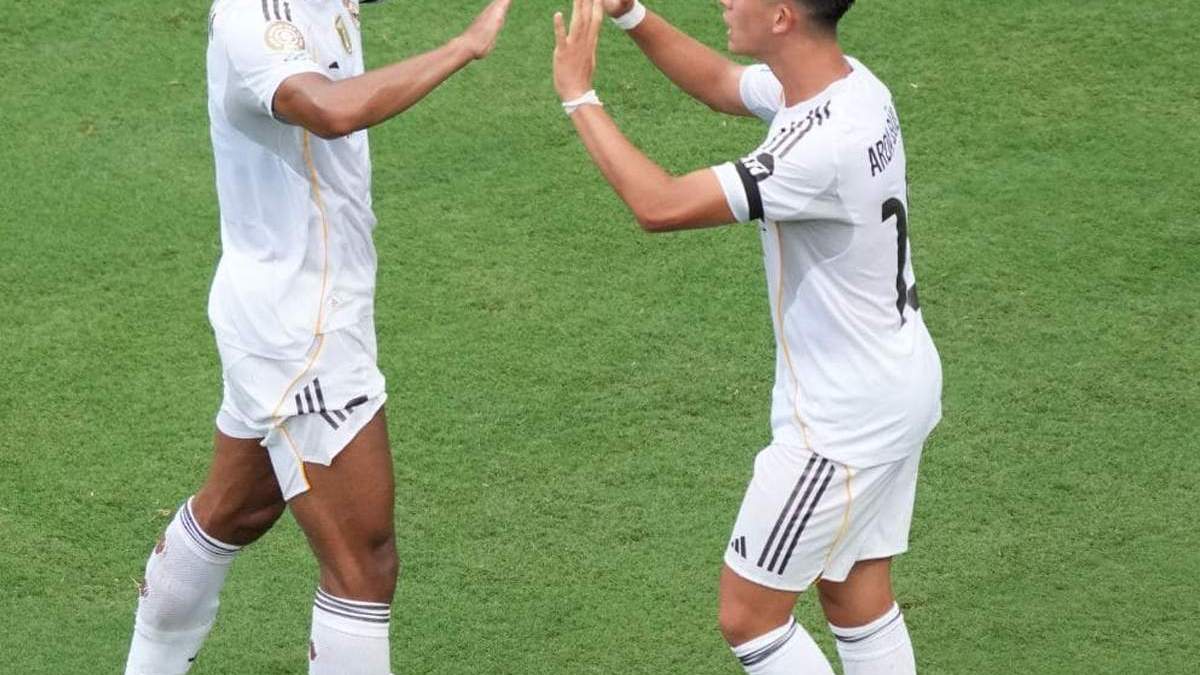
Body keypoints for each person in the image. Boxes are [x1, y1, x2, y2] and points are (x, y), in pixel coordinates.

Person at [552, 0, 942, 672]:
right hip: (896, 381)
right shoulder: (851, 85)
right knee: (856, 594)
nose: (725, 1)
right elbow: (724, 85)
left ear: (784, 16)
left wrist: (578, 95)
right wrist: (630, 14)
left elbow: (661, 204)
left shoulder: (821, 148)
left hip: (841, 422)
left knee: (750, 616)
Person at [123, 1, 512, 673]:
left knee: (235, 509)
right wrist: (464, 47)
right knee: (364, 563)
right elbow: (329, 109)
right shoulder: (255, 18)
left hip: (285, 310)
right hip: (301, 331)